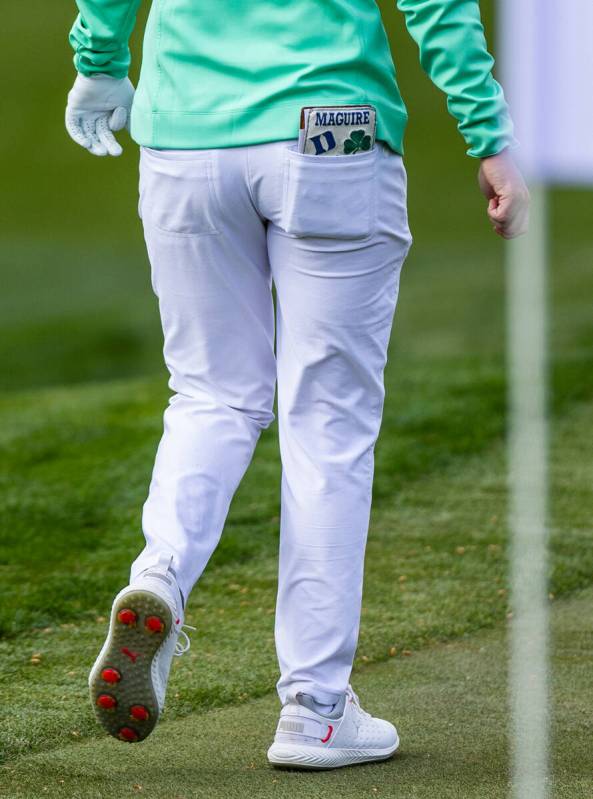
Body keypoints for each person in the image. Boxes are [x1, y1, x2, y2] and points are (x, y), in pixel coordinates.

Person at [65, 0, 529, 769]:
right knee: (327, 421)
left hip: (185, 137)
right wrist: (490, 136)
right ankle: (314, 709)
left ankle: (158, 576)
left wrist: (100, 59)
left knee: (210, 394)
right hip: (331, 130)